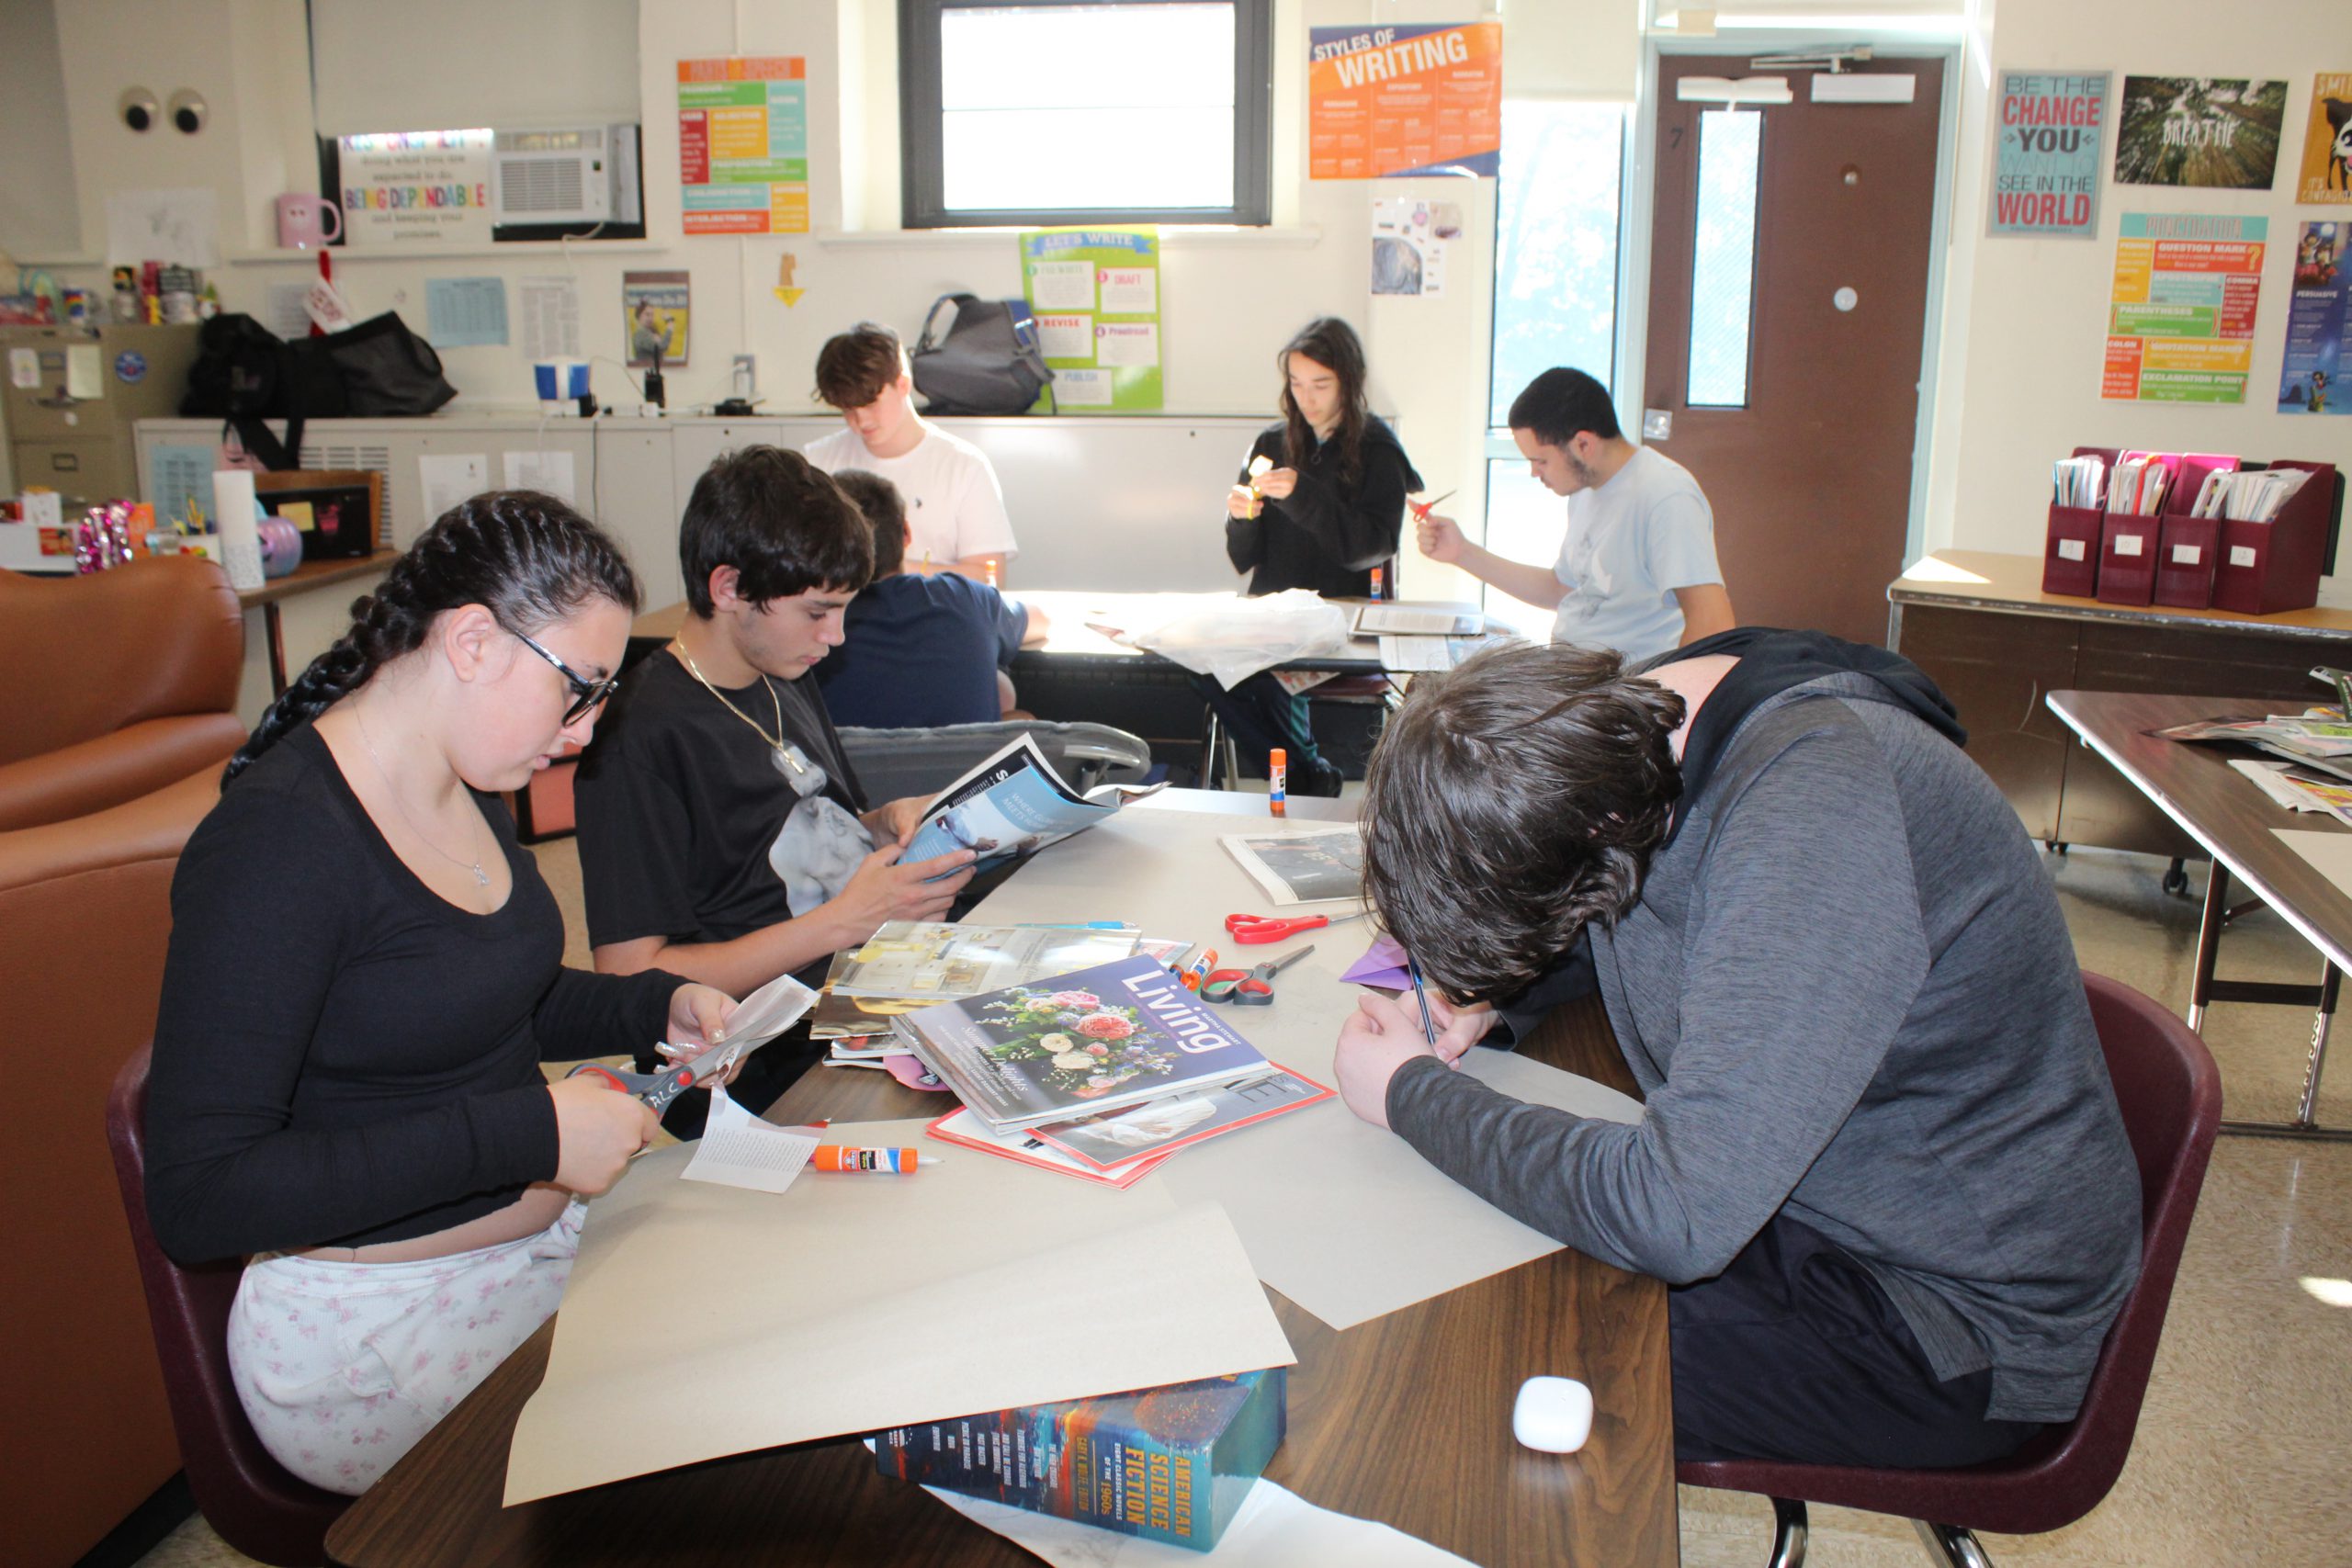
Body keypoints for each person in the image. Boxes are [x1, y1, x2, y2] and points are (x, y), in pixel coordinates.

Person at [1330, 629, 2143, 1469]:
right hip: (1818, 1202)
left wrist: (1411, 1093)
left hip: (1954, 1320)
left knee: (1463, 1362)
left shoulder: (1814, 815)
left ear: (1604, 829)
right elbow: (1617, 900)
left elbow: (1675, 1213)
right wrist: (1489, 1004)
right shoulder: (1629, 733)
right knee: (1473, 1263)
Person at [143, 491, 741, 1495]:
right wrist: (529, 1136)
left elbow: (486, 995)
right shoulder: (278, 845)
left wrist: (651, 1006)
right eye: (579, 691)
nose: (587, 732)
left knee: (759, 1326)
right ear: (472, 641)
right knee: (716, 1465)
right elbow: (200, 1198)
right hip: (367, 1332)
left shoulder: (466, 782)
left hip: (525, 1251)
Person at [573, 446, 976, 1130]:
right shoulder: (638, 739)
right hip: (766, 1060)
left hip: (867, 984)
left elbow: (810, 815)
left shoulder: (785, 669)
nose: (837, 636)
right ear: (728, 588)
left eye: (845, 609)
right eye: (819, 611)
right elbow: (627, 979)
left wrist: (880, 824)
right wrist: (842, 921)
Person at [1211, 316, 1423, 796]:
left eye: (1320, 385)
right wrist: (1240, 518)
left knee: (1269, 674)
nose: (1306, 398)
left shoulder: (1378, 449)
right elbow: (1244, 557)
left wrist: (1303, 494)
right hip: (1274, 609)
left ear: (1348, 383)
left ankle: (1303, 772)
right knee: (1200, 666)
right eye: (1297, 383)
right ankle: (1307, 770)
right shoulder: (1272, 443)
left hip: (1343, 616)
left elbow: (1371, 546)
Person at [1418, 367, 1735, 662]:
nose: (1533, 472)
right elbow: (1562, 590)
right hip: (1574, 675)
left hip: (1626, 691)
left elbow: (1712, 622)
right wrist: (1463, 553)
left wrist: (1675, 704)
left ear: (1583, 444)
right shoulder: (1585, 487)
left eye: (1540, 461)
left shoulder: (1666, 495)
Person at [817, 468, 1050, 727]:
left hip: (849, 766)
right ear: (906, 533)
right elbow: (1041, 620)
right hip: (968, 766)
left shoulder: (816, 624)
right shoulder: (967, 598)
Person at [806, 321, 1017, 582]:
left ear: (902, 384)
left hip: (935, 618)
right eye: (847, 409)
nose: (860, 421)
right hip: (845, 622)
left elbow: (989, 577)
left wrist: (890, 567)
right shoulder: (816, 463)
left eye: (870, 404)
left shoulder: (964, 465)